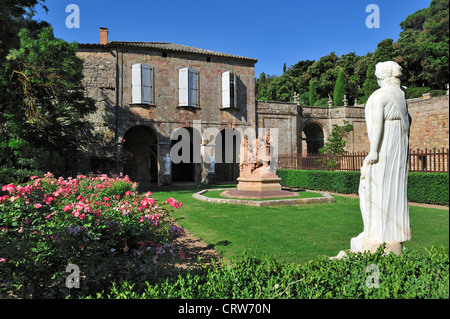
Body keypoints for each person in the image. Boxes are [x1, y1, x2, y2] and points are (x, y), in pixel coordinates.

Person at [352, 61, 411, 253]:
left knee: (369, 186)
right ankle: (389, 232)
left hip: (384, 147)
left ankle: (374, 233)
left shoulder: (381, 96)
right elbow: (408, 121)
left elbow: (377, 124)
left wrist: (374, 151)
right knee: (393, 187)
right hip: (399, 146)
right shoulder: (401, 96)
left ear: (381, 78)